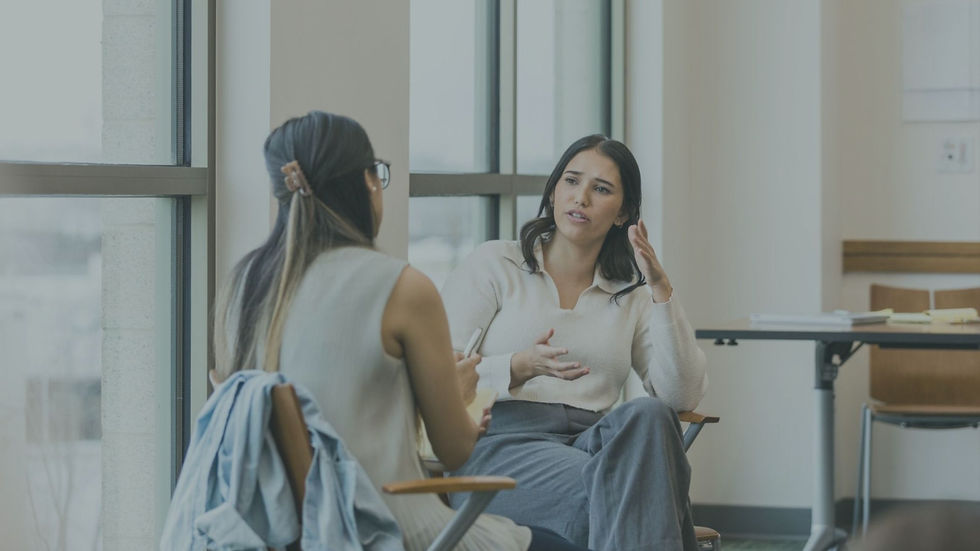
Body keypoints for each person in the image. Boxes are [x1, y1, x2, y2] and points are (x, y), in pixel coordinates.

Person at [211, 110, 587, 551]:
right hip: (387, 527)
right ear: (367, 182)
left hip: (281, 531)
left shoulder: (242, 286)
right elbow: (453, 453)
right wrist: (462, 394)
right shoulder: (401, 287)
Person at [441, 134, 708, 551]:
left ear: (624, 214)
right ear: (552, 193)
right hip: (501, 446)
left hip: (592, 442)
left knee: (652, 415)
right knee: (632, 491)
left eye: (601, 189)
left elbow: (681, 394)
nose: (580, 197)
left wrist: (661, 291)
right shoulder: (496, 264)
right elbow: (437, 374)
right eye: (571, 181)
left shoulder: (630, 294)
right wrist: (516, 366)